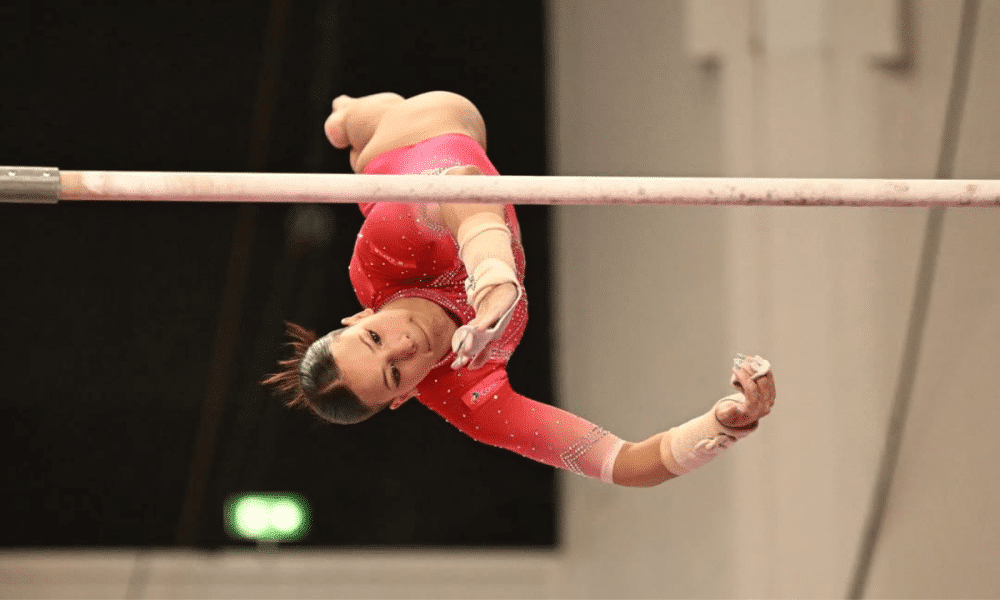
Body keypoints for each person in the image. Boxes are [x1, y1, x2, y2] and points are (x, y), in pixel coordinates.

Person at [264, 91, 777, 486]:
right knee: (357, 149)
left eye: (375, 338)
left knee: (358, 125)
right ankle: (349, 130)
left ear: (358, 317)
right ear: (402, 398)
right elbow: (621, 463)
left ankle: (347, 116)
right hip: (434, 161)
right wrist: (723, 425)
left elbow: (462, 184)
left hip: (415, 132)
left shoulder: (378, 259)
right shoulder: (466, 397)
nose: (405, 345)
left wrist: (492, 285)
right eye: (395, 371)